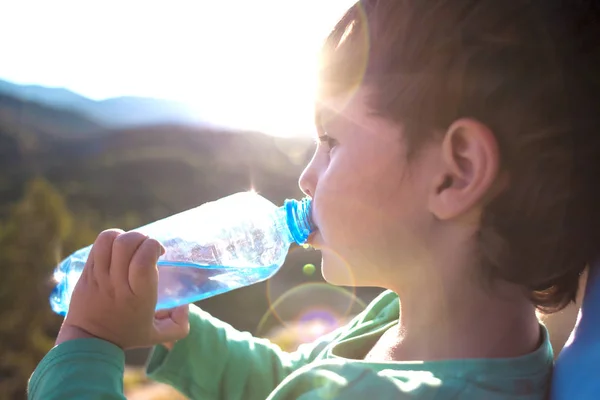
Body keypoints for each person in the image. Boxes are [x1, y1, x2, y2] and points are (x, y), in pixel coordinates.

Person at [28, 0, 600, 399]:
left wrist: (87, 345)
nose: (305, 177)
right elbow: (289, 380)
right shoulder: (414, 325)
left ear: (455, 175)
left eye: (331, 141)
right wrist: (188, 337)